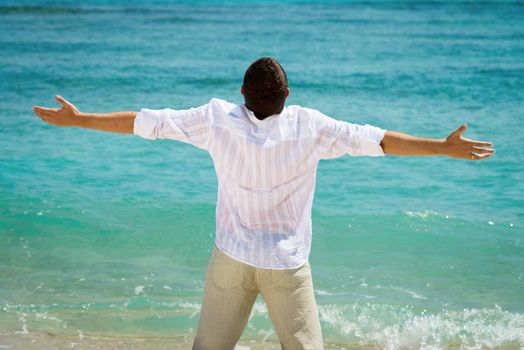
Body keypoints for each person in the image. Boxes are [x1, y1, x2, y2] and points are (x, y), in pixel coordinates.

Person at [33, 57, 494, 350]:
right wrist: (443, 146)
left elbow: (144, 122)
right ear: (287, 97)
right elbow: (378, 142)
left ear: (242, 95)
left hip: (231, 259)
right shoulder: (310, 127)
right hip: (286, 266)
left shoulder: (216, 119)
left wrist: (78, 121)